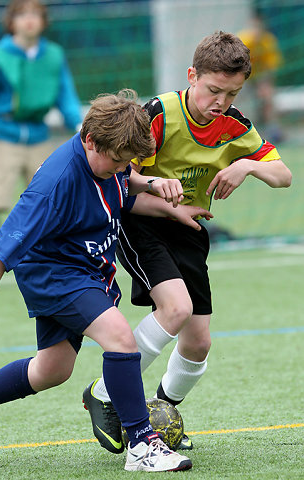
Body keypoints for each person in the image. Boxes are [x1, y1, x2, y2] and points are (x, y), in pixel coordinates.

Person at [0, 89, 216, 471]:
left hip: (83, 267)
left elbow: (123, 193)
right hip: (55, 272)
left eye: (127, 162)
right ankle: (141, 445)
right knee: (119, 337)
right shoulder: (55, 182)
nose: (122, 168)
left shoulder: (108, 160)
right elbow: (6, 242)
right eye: (117, 161)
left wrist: (169, 207)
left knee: (51, 370)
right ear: (89, 140)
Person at [83, 31, 292, 452]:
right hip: (141, 222)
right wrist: (162, 196)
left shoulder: (235, 126)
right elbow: (120, 180)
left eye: (232, 94)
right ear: (192, 75)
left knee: (198, 342)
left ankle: (162, 415)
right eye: (213, 90)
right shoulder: (157, 113)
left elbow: (283, 175)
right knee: (175, 308)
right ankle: (103, 393)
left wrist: (248, 166)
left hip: (189, 229)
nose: (221, 102)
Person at [0, 0, 82, 284]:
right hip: (4, 136)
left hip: (39, 136)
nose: (29, 20)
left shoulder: (54, 56)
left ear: (43, 21)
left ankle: (55, 259)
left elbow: (66, 96)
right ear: (11, 22)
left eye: (35, 14)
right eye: (22, 15)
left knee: (52, 200)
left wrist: (81, 124)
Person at [237, 14, 283, 141]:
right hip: (241, 74)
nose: (255, 31)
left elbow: (271, 68)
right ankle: (234, 128)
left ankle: (273, 129)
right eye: (253, 27)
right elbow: (235, 66)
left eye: (258, 27)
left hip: (259, 76)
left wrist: (266, 86)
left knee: (268, 97)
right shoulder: (242, 41)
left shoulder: (268, 42)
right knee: (234, 98)